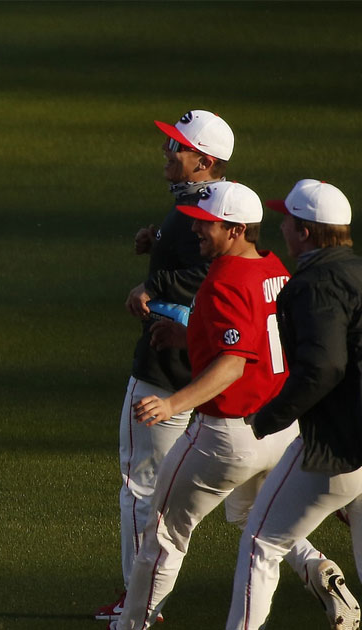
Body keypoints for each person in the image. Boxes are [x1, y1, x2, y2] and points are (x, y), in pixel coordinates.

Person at [114, 181, 334, 629]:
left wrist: (171, 403)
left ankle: (131, 624)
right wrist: (186, 337)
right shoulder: (275, 269)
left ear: (235, 230)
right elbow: (255, 339)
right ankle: (318, 569)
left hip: (228, 433)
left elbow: (233, 363)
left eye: (205, 225)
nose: (195, 232)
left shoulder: (224, 281)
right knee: (260, 525)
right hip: (279, 428)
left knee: (163, 532)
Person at [99, 109, 230, 621]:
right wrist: (158, 245)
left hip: (166, 366)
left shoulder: (195, 210)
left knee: (141, 486)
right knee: (252, 501)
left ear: (205, 161)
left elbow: (213, 272)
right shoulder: (214, 205)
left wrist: (154, 285)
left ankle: (136, 603)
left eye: (177, 146)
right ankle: (313, 567)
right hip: (212, 367)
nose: (167, 152)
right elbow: (213, 254)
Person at [226, 180, 361, 630]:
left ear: (304, 232)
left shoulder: (314, 284)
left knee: (262, 541)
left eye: (287, 219)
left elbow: (323, 368)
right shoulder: (357, 271)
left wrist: (269, 417)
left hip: (338, 446)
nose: (280, 225)